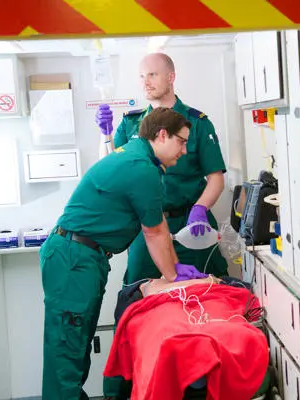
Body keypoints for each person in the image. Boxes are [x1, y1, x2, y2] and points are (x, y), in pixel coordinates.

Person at [40, 107, 208, 400]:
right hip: (73, 258)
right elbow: (153, 232)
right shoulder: (140, 168)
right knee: (66, 352)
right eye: (182, 141)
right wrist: (173, 276)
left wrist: (176, 268)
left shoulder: (137, 158)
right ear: (162, 134)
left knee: (75, 349)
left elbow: (159, 226)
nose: (184, 150)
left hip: (82, 257)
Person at [96, 52, 230, 400]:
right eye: (142, 76)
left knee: (211, 297)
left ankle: (211, 382)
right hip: (148, 226)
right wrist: (106, 135)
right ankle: (135, 385)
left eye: (153, 74)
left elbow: (215, 178)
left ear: (171, 76)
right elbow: (118, 168)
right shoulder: (132, 123)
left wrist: (200, 208)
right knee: (139, 298)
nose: (146, 82)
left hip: (192, 223)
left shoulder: (198, 122)